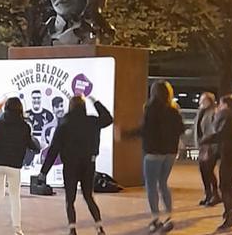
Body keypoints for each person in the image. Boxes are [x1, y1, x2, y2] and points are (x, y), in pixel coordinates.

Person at [41, 95, 113, 235]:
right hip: (88, 164)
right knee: (89, 197)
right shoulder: (92, 121)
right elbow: (108, 118)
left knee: (70, 200)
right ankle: (99, 228)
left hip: (70, 166)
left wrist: (44, 171)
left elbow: (53, 150)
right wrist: (95, 101)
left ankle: (72, 229)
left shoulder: (64, 124)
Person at [125, 81, 184, 233]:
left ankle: (156, 219)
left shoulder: (150, 109)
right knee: (163, 183)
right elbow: (181, 129)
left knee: (151, 186)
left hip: (153, 152)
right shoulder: (173, 111)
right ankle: (170, 216)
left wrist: (126, 134)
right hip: (170, 153)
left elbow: (144, 130)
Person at [0, 97, 40, 235]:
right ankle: (17, 229)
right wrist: (37, 145)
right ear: (20, 109)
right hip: (14, 166)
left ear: (6, 108)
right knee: (14, 197)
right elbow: (32, 145)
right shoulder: (24, 126)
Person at [200, 96, 232, 230]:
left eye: (220, 104)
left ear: (226, 105)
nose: (218, 106)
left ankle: (230, 215)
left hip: (230, 155)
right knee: (227, 185)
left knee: (225, 186)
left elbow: (222, 135)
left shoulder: (229, 119)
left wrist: (206, 140)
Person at [195, 92, 221, 207]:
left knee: (208, 170)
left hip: (210, 146)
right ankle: (208, 194)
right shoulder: (201, 112)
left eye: (203, 100)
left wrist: (210, 145)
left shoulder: (213, 112)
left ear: (210, 101)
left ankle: (215, 195)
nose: (201, 102)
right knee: (203, 170)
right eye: (201, 100)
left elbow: (213, 130)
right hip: (202, 145)